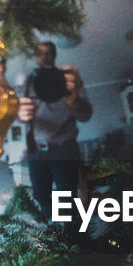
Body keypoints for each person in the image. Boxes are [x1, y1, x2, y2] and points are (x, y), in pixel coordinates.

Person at [17, 41, 93, 218]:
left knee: (68, 200)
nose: (44, 56)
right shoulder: (28, 83)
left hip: (64, 149)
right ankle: (53, 231)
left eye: (49, 52)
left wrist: (74, 100)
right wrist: (21, 113)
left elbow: (85, 115)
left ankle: (71, 238)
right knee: (40, 195)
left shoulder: (68, 80)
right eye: (40, 53)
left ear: (55, 56)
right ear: (35, 57)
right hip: (35, 150)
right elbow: (21, 118)